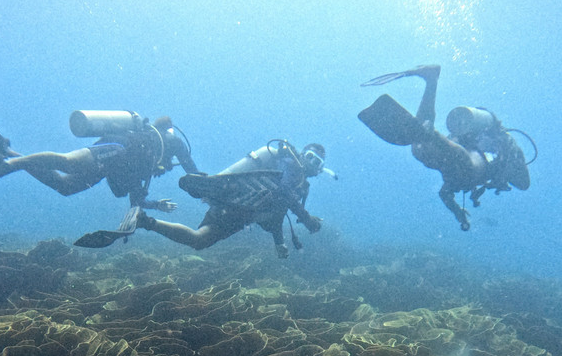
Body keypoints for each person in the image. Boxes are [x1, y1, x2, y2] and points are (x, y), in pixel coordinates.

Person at [0, 112, 200, 244]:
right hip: (115, 148)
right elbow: (194, 173)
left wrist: (156, 206)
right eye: (167, 166)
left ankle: (8, 155)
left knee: (65, 186)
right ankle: (10, 164)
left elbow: (135, 199)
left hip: (111, 163)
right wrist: (209, 187)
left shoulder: (149, 162)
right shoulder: (171, 142)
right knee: (69, 162)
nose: (165, 169)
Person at [359, 64, 530, 231]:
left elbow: (444, 194)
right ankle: (431, 128)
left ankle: (431, 82)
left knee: (420, 147)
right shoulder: (471, 168)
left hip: (453, 155)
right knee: (456, 159)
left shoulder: (452, 181)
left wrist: (458, 213)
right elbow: (523, 184)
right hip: (464, 157)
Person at [134, 140, 325, 258]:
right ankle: (146, 221)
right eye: (310, 157)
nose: (311, 163)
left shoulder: (298, 183)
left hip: (235, 209)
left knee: (198, 240)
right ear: (302, 154)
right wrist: (307, 219)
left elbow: (277, 213)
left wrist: (279, 242)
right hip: (238, 209)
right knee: (198, 240)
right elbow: (283, 194)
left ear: (319, 169)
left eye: (317, 162)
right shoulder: (291, 166)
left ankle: (146, 221)